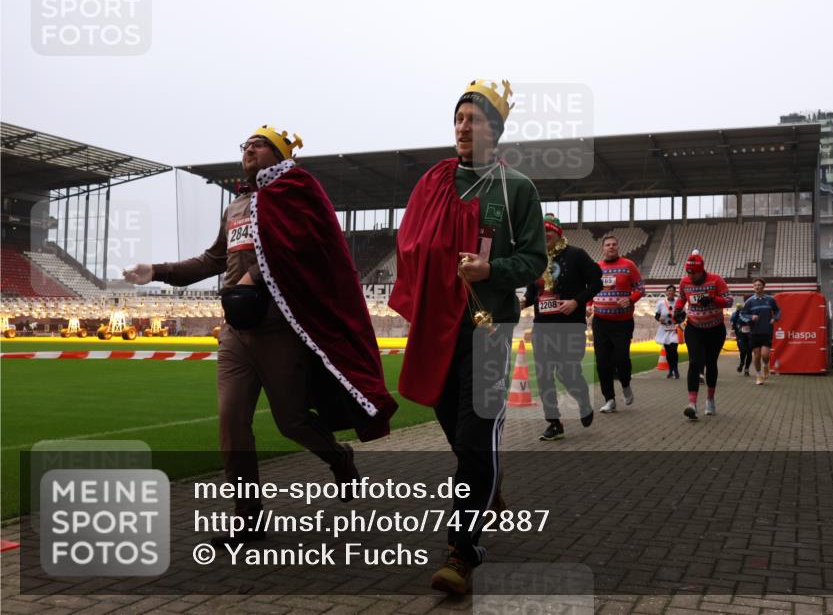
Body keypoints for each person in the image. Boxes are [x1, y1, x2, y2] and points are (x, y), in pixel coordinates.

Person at [124, 126, 397, 545]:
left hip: (278, 330)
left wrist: (258, 275)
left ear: (281, 153)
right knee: (232, 422)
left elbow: (310, 252)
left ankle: (338, 457)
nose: (249, 149)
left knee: (291, 422)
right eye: (245, 145)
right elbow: (213, 259)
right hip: (235, 333)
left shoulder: (295, 195)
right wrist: (157, 271)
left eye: (259, 144)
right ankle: (248, 518)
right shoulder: (235, 207)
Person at [389, 80, 546, 595]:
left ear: (494, 130)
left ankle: (462, 550)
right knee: (457, 434)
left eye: (473, 119)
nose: (462, 126)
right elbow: (410, 242)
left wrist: (491, 269)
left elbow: (535, 260)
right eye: (458, 117)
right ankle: (487, 481)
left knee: (476, 436)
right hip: (437, 327)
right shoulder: (432, 182)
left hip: (487, 329)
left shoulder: (516, 188)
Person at [523, 214, 603, 441]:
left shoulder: (576, 255)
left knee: (567, 373)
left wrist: (577, 301)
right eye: (541, 232)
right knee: (544, 375)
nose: (544, 236)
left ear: (558, 233)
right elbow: (532, 292)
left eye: (548, 231)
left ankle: (583, 400)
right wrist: (523, 302)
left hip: (570, 325)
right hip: (543, 327)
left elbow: (597, 281)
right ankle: (554, 423)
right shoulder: (537, 260)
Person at [588, 235, 645, 412]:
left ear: (617, 247)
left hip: (623, 322)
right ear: (602, 248)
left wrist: (630, 299)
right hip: (600, 323)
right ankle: (609, 399)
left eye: (614, 244)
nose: (611, 247)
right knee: (602, 362)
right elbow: (589, 291)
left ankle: (626, 384)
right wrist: (589, 306)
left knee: (621, 359)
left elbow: (640, 288)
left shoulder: (628, 265)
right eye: (607, 245)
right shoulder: (595, 268)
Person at [674, 250, 733, 420]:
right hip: (694, 327)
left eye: (694, 273)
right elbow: (682, 298)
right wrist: (678, 311)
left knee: (711, 363)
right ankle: (692, 404)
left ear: (702, 270)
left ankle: (710, 399)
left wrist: (713, 299)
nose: (691, 277)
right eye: (688, 273)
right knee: (694, 362)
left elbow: (728, 300)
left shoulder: (716, 280)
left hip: (715, 328)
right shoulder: (685, 282)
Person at [744, 277, 781, 385]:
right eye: (755, 285)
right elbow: (743, 314)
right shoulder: (749, 301)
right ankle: (759, 375)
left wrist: (775, 318)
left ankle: (765, 365)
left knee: (765, 355)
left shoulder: (770, 299)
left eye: (759, 285)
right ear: (753, 287)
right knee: (757, 355)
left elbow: (777, 310)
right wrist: (751, 317)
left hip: (767, 331)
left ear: (763, 286)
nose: (757, 287)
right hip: (754, 332)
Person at [654, 284, 682, 379]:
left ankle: (676, 369)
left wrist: (679, 322)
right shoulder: (661, 303)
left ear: (674, 293)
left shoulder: (678, 302)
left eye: (672, 291)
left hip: (674, 329)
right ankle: (670, 370)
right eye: (669, 290)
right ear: (666, 292)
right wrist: (659, 319)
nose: (670, 292)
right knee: (668, 352)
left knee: (674, 349)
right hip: (664, 329)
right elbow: (657, 315)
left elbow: (683, 315)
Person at [731, 301, 753, 375]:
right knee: (743, 351)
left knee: (749, 353)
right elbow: (733, 320)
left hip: (750, 336)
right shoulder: (737, 313)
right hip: (741, 336)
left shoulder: (751, 313)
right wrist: (737, 311)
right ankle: (741, 363)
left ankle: (746, 369)